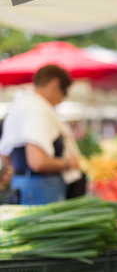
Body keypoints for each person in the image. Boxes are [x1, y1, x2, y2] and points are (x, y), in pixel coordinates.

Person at [0, 65, 81, 204]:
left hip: (24, 186)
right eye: (64, 93)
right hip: (42, 190)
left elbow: (6, 159)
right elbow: (37, 162)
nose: (61, 100)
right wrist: (69, 163)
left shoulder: (19, 107)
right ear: (55, 85)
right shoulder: (35, 110)